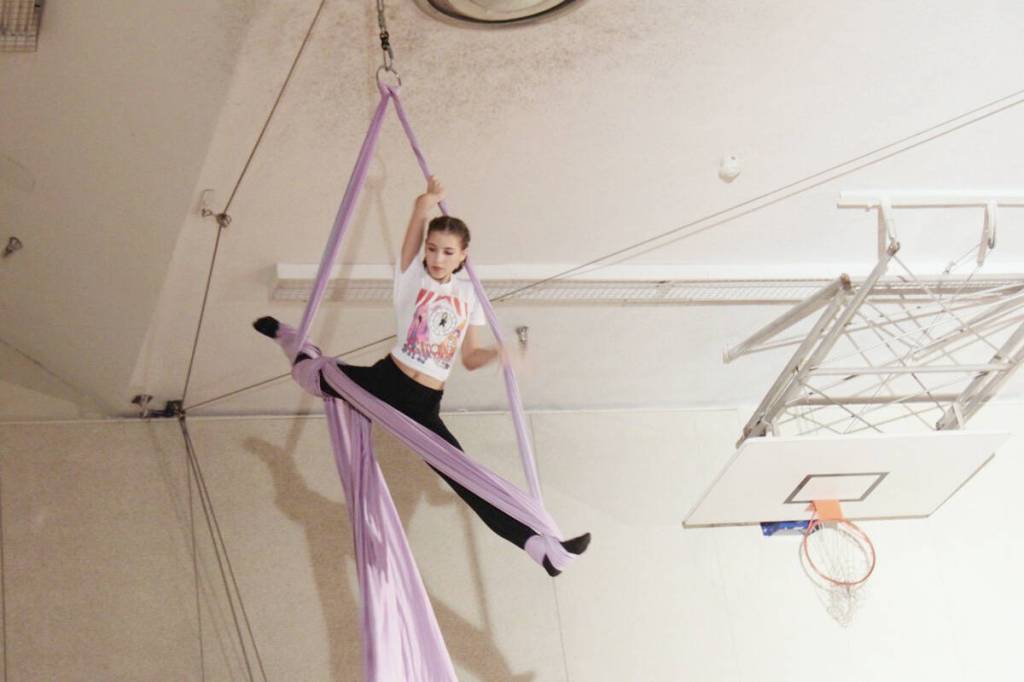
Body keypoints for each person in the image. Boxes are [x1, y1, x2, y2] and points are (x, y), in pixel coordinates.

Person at [255, 176, 589, 576]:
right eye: (432, 249)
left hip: (423, 403)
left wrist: (501, 353)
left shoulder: (469, 298)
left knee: (467, 477)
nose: (436, 257)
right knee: (319, 374)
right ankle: (287, 337)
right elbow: (411, 236)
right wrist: (424, 203)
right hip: (385, 381)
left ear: (463, 255)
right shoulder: (412, 278)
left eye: (447, 252)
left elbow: (468, 357)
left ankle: (541, 549)